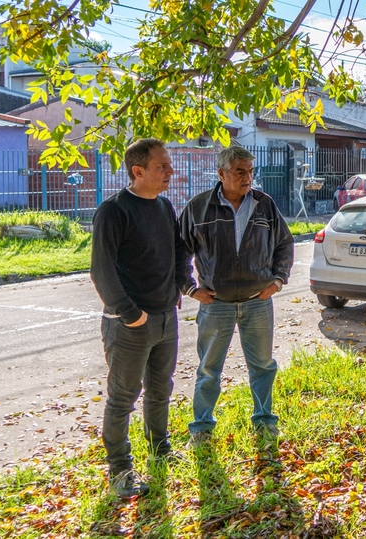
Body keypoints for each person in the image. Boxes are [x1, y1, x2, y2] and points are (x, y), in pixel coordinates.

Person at [90, 138, 190, 498]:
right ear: (138, 171)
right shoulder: (113, 211)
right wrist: (131, 314)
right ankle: (120, 471)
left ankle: (160, 449)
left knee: (161, 391)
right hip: (129, 324)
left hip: (166, 318)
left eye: (169, 164)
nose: (170, 171)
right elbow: (101, 271)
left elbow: (179, 251)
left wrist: (179, 286)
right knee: (123, 398)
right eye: (162, 166)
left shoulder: (164, 207)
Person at [179, 146, 294, 443]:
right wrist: (190, 288)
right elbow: (178, 252)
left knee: (263, 366)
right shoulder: (199, 208)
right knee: (208, 370)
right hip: (216, 304)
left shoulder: (264, 204)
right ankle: (201, 428)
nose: (247, 178)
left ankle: (265, 421)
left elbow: (284, 244)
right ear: (222, 173)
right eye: (240, 172)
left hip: (258, 302)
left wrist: (278, 281)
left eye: (251, 172)